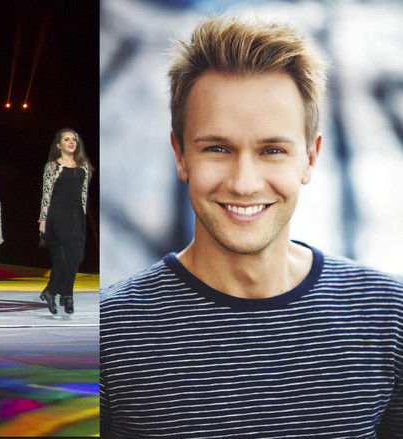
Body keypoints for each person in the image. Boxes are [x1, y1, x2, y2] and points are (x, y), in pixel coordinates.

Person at [100, 16, 403, 438]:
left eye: (273, 150)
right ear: (181, 155)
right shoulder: (108, 331)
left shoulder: (390, 314)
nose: (244, 183)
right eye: (218, 148)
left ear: (310, 159)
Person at [38, 128, 93, 314]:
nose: (71, 142)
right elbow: (46, 194)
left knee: (74, 257)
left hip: (76, 216)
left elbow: (83, 194)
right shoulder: (52, 166)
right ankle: (66, 295)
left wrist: (82, 217)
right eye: (67, 139)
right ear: (59, 145)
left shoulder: (83, 166)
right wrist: (43, 220)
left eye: (74, 140)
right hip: (57, 215)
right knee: (67, 255)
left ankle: (52, 291)